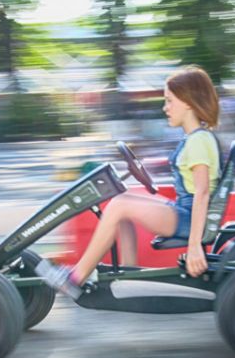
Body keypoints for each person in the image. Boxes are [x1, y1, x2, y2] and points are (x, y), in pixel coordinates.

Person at [36, 65, 221, 299]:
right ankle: (129, 272)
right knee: (121, 199)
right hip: (186, 210)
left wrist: (194, 247)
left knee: (119, 206)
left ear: (187, 102)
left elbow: (202, 193)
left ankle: (75, 279)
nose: (165, 108)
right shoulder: (195, 138)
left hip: (189, 217)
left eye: (169, 101)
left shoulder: (198, 141)